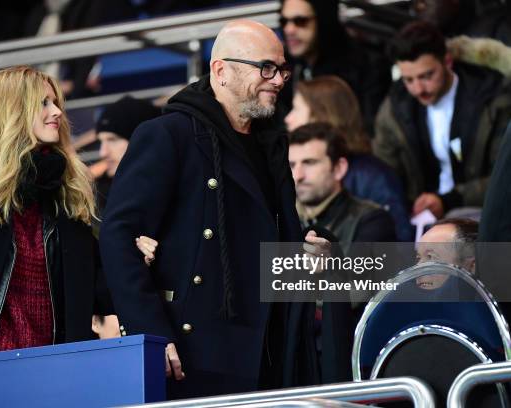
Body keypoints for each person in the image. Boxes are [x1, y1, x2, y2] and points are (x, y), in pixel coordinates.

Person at [100, 20, 350, 398]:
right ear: (221, 71)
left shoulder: (272, 145)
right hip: (192, 359)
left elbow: (268, 247)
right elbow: (118, 235)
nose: (279, 79)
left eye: (282, 69)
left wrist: (316, 253)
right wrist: (150, 335)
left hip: (269, 355)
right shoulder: (168, 135)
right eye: (265, 68)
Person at [0, 66, 154, 363]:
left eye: (56, 102)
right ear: (12, 111)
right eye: (44, 103)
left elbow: (91, 292)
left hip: (52, 371)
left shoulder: (64, 194)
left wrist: (133, 260)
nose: (57, 111)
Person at [374, 21, 511, 219]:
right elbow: (385, 173)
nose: (419, 89)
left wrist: (450, 200)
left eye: (427, 75)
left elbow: (503, 177)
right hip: (418, 215)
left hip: (480, 211)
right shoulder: (395, 107)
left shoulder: (492, 99)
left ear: (447, 61)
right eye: (408, 80)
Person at [285, 76, 412, 241]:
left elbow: (398, 246)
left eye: (295, 109)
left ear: (320, 114)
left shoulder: (373, 178)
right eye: (292, 165)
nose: (287, 118)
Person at [279, 0, 391, 133]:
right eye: (284, 21)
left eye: (300, 21)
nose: (289, 29)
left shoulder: (366, 65)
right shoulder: (284, 67)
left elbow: (373, 130)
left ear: (324, 20)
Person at [289, 123, 397, 251]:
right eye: (291, 165)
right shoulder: (279, 220)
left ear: (339, 168)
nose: (298, 175)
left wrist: (328, 266)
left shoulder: (372, 222)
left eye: (310, 163)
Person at [94, 96, 160, 211]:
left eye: (112, 140)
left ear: (141, 141)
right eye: (101, 142)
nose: (103, 153)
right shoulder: (100, 195)